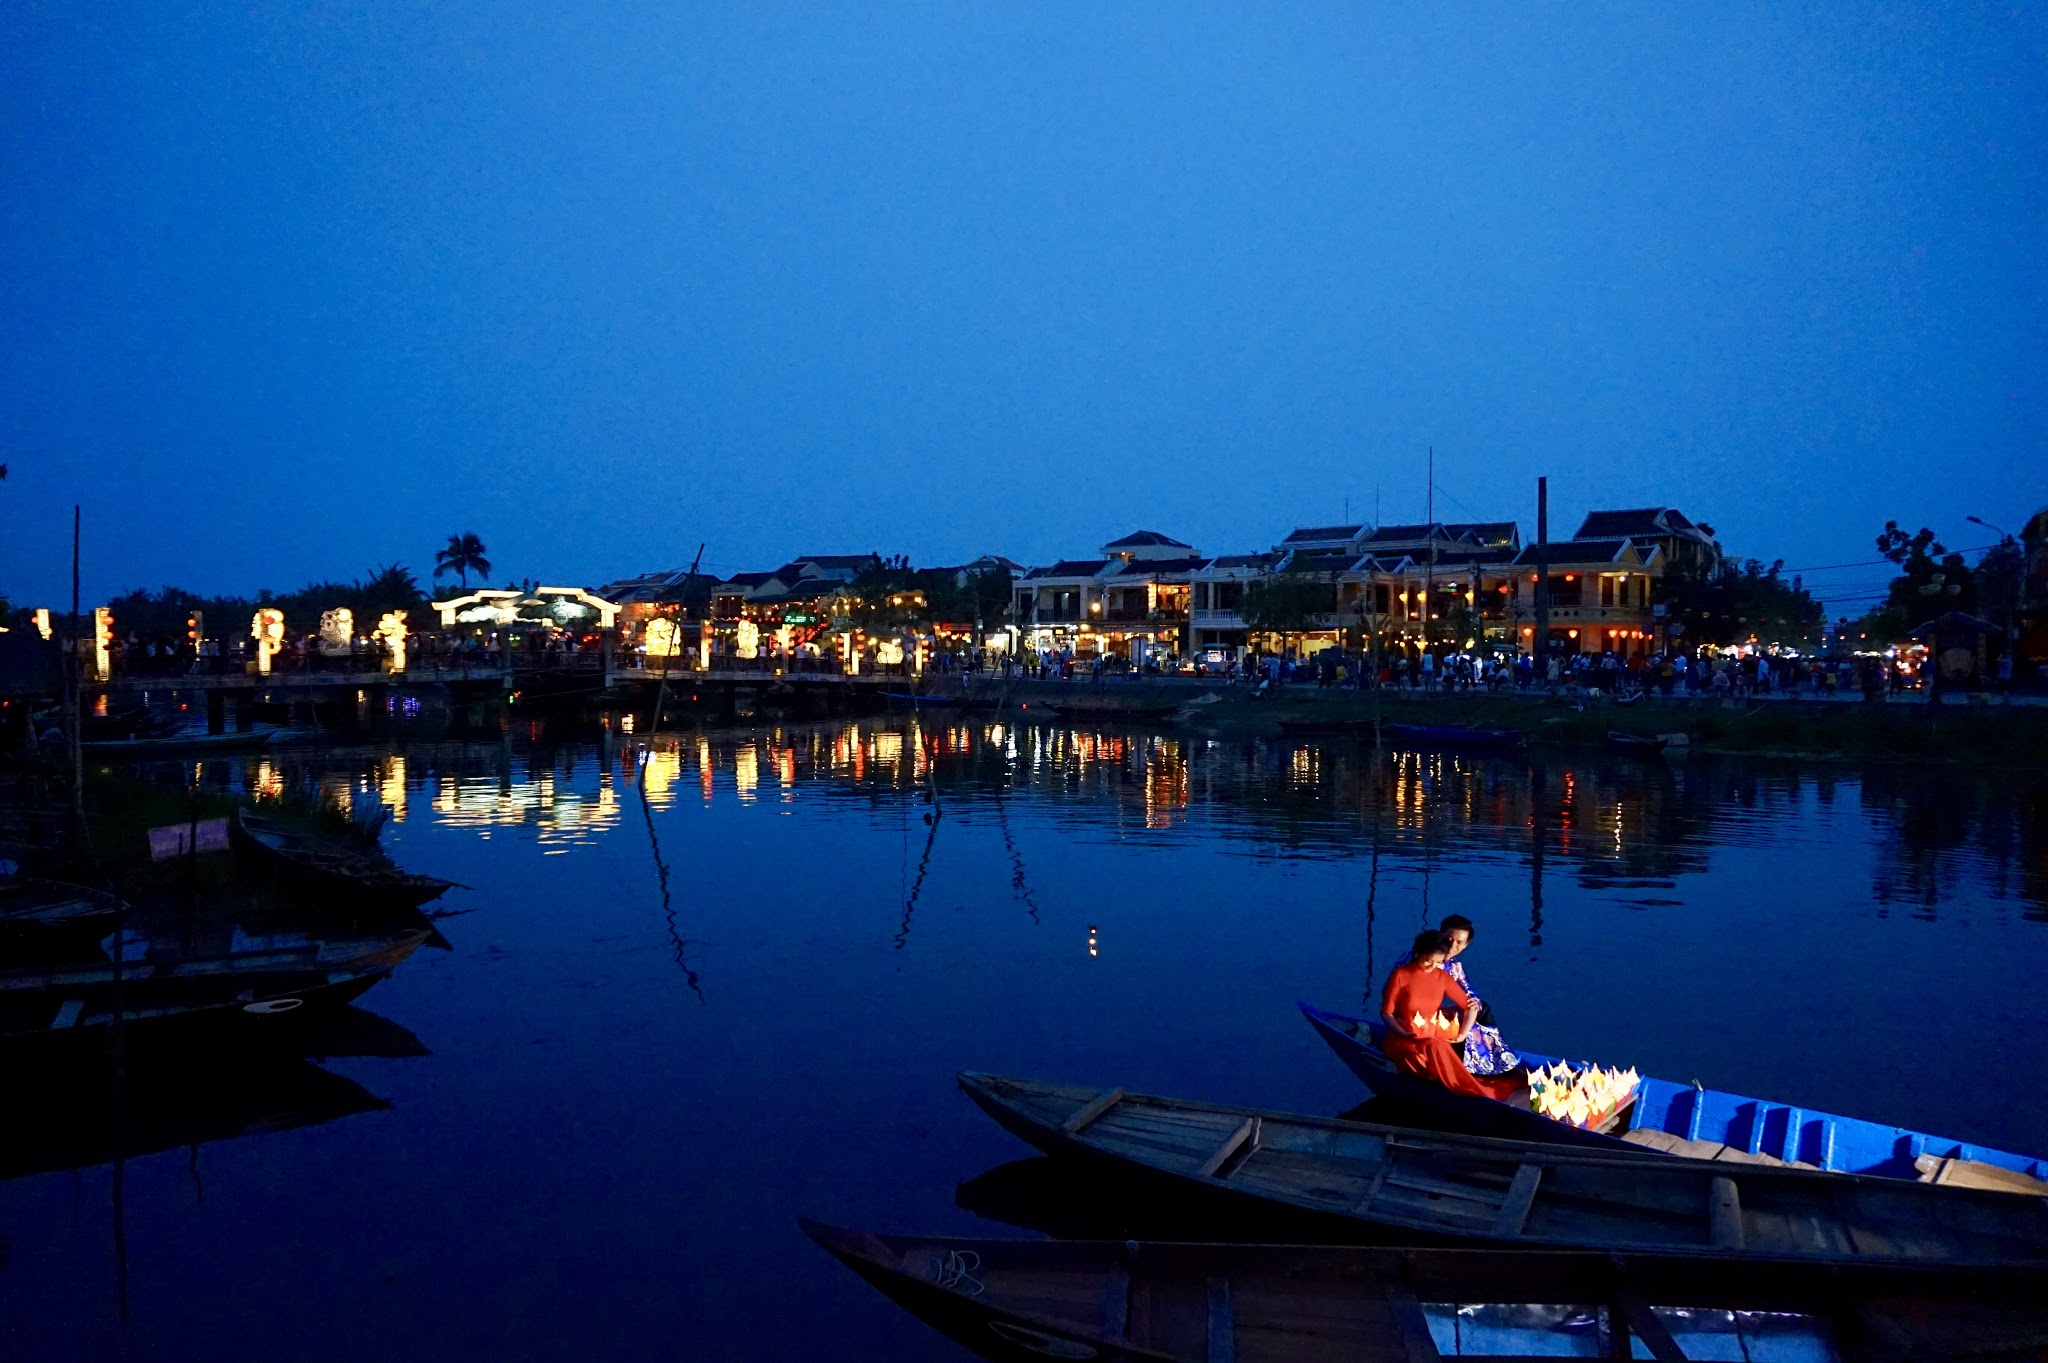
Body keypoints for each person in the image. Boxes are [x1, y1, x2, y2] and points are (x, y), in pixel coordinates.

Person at [1380, 930, 1521, 1100]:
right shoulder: (1400, 975)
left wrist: (1462, 1034)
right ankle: (1459, 1085)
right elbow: (1387, 1013)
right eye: (1427, 961)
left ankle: (1467, 1083)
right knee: (1434, 1047)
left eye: (1437, 962)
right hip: (1404, 1036)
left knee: (1437, 1044)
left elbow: (1470, 1006)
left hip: (1432, 1035)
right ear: (1418, 954)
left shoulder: (1442, 977)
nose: (1432, 967)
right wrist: (1402, 1032)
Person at [1437, 915, 1521, 1077]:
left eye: (1459, 943)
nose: (1452, 945)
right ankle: (1474, 1066)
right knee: (1466, 1024)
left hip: (1441, 1010)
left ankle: (1500, 1059)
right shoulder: (1421, 957)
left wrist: (1473, 1003)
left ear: (1466, 945)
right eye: (1448, 938)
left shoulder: (1454, 966)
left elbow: (1467, 991)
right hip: (1422, 1013)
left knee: (1481, 1009)